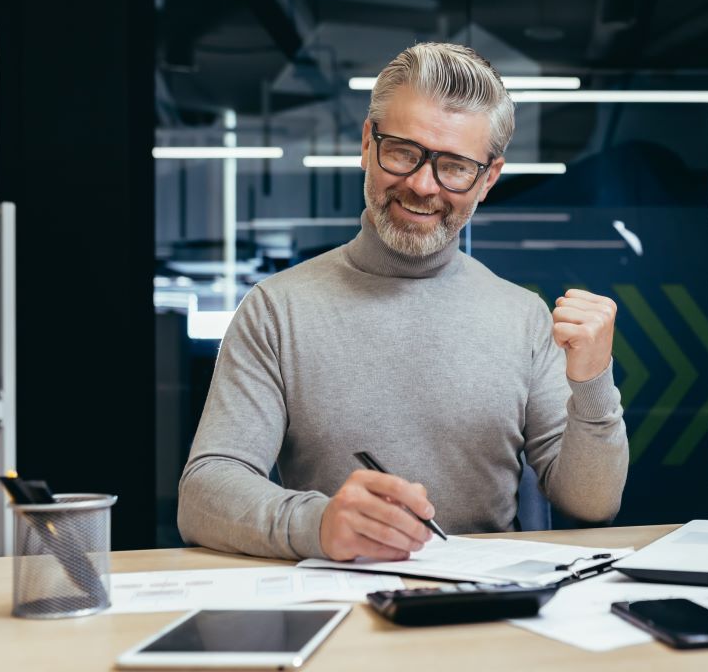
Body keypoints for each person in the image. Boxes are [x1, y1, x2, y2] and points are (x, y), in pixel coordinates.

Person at [178, 42, 629, 561]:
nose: (421, 185)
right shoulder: (275, 310)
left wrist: (593, 382)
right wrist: (317, 523)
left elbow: (593, 504)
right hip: (339, 605)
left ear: (488, 179)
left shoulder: (525, 320)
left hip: (488, 617)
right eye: (402, 152)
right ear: (368, 143)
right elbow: (204, 492)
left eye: (455, 167)